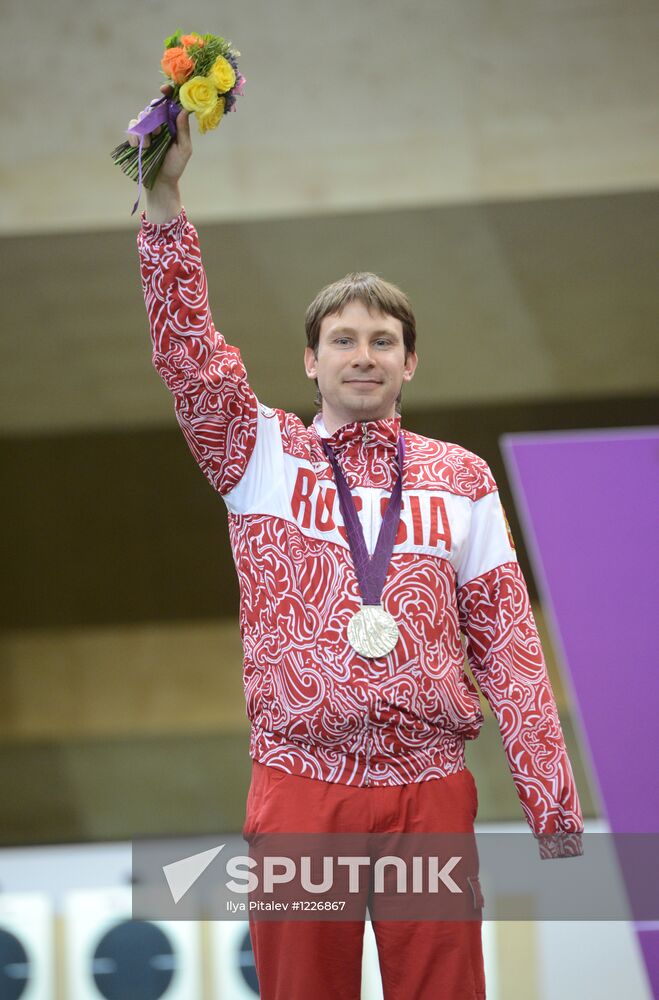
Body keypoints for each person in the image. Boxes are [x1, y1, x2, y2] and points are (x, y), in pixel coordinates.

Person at [129, 91, 584, 1000]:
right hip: (302, 786)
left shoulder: (459, 478)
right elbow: (189, 356)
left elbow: (508, 646)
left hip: (429, 787)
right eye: (343, 340)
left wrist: (552, 803)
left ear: (409, 362)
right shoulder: (257, 452)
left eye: (383, 340)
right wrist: (163, 207)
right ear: (311, 360)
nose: (363, 354)